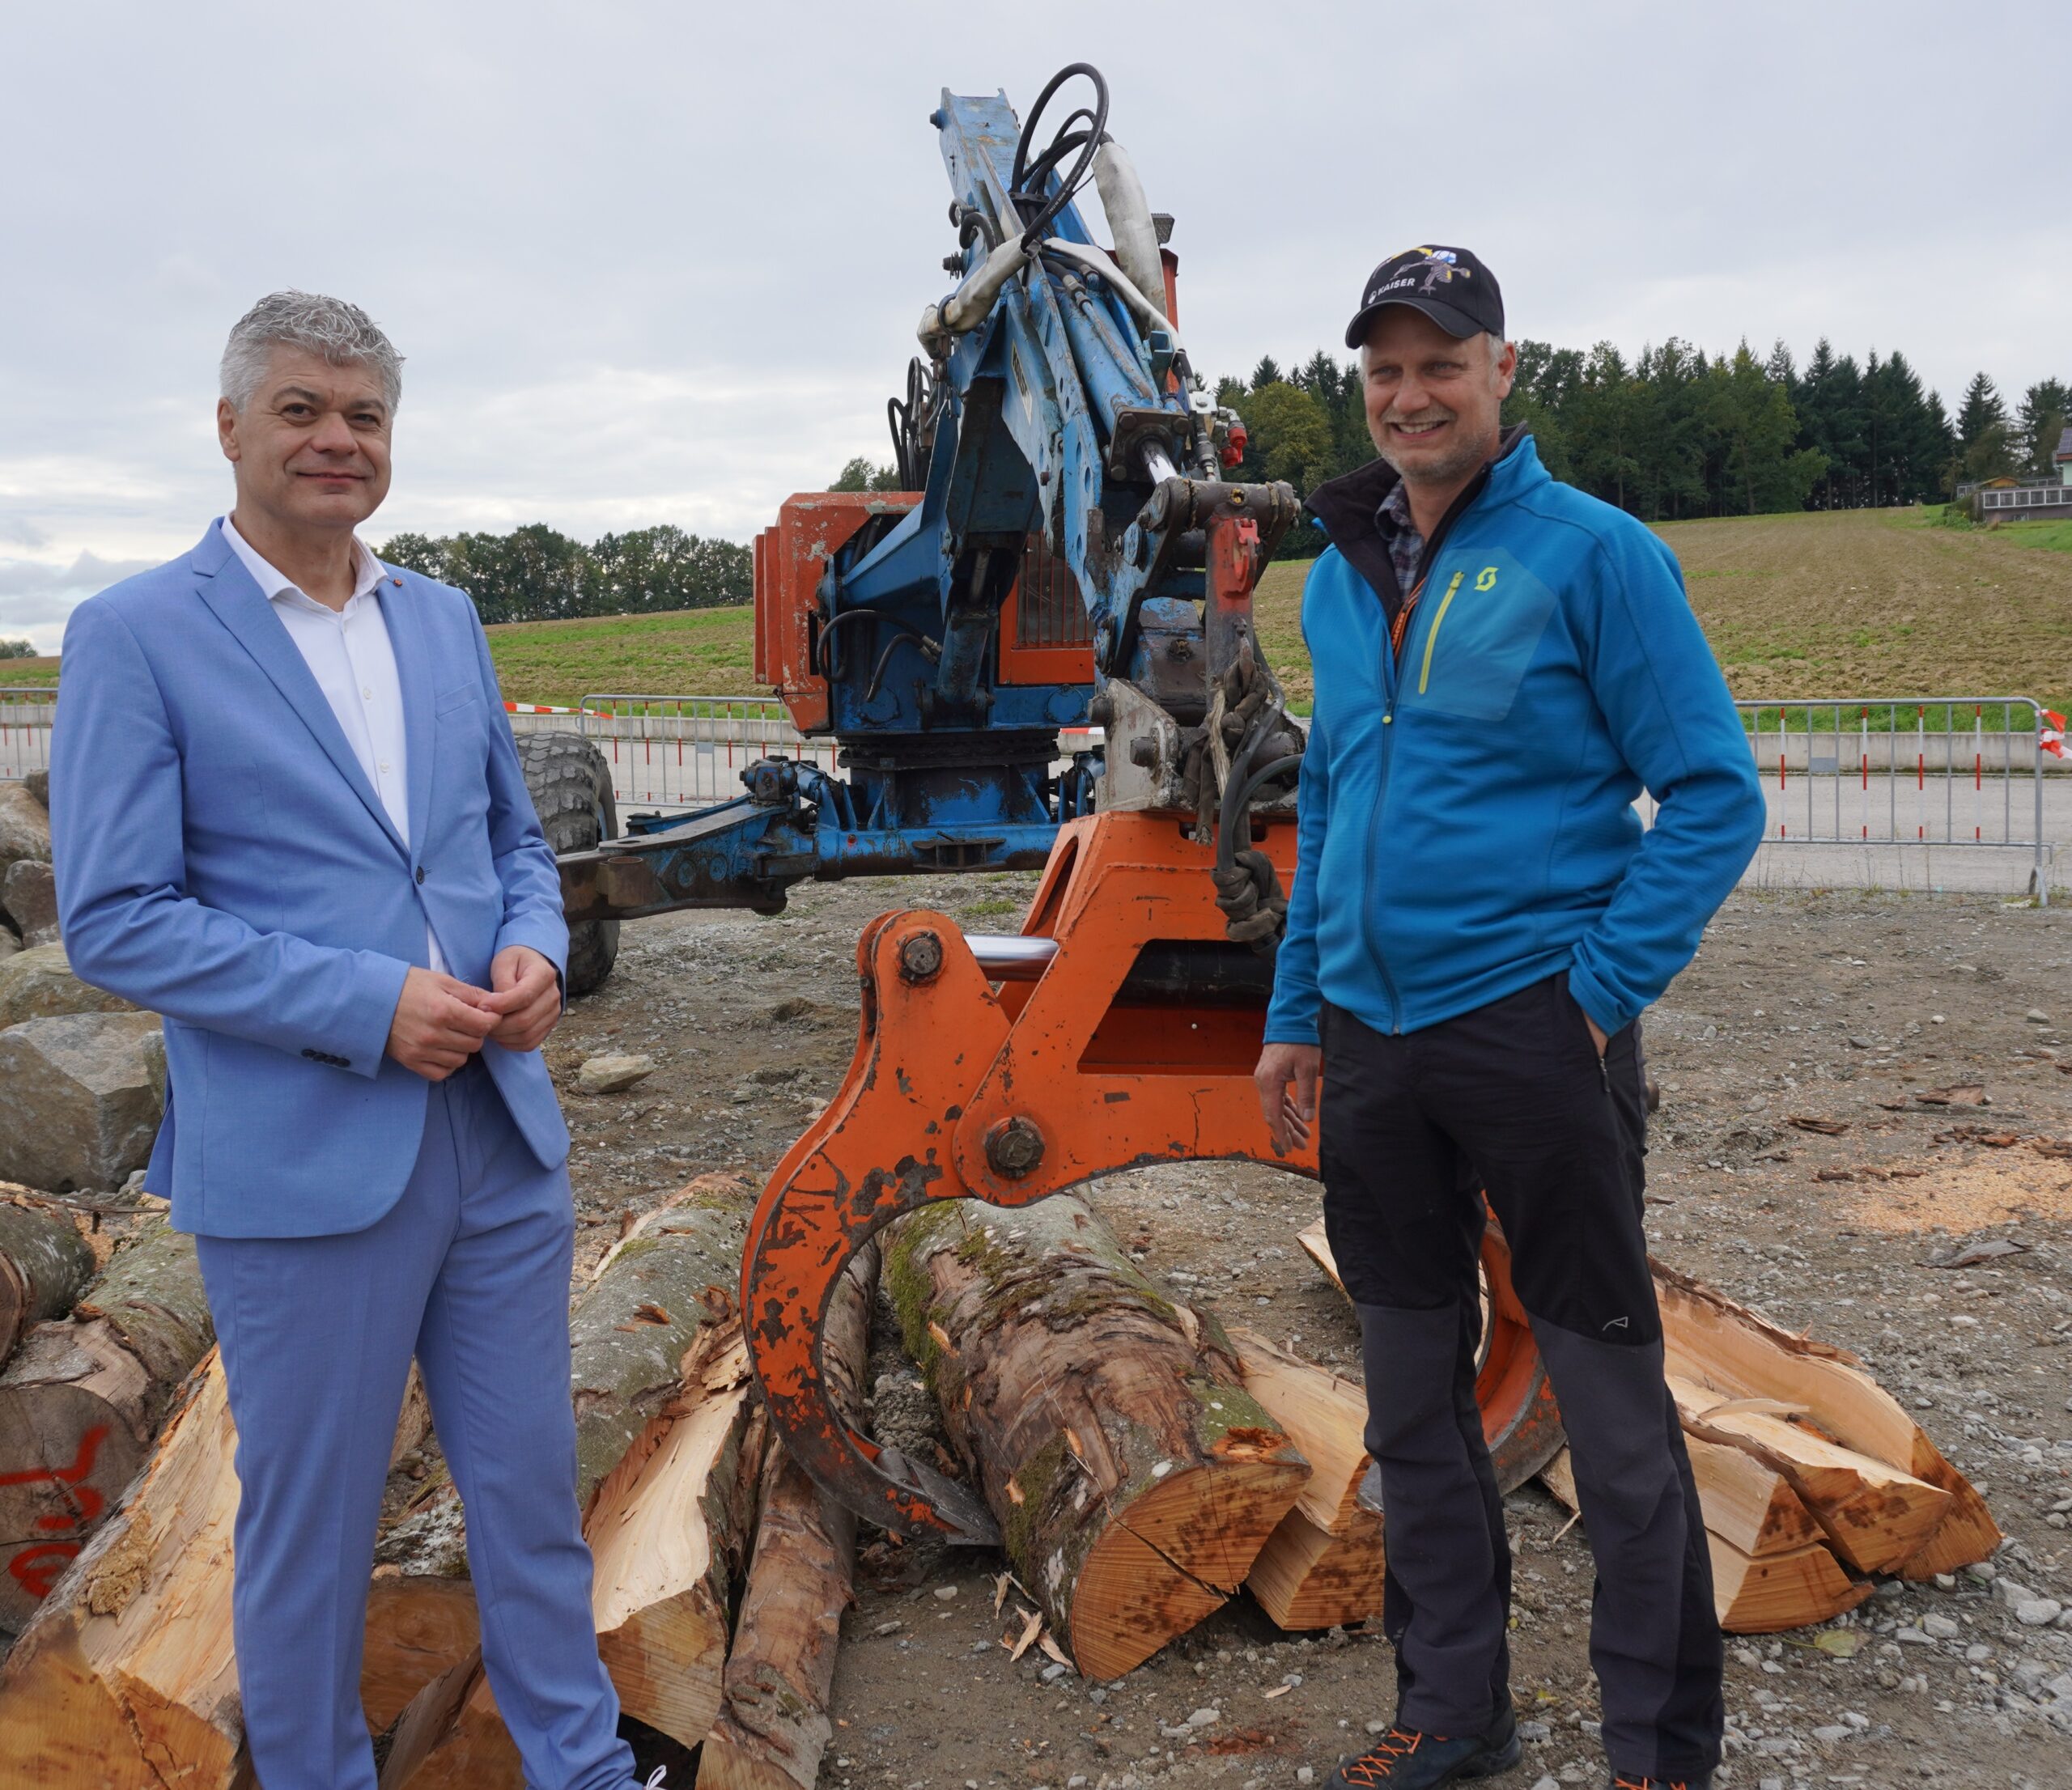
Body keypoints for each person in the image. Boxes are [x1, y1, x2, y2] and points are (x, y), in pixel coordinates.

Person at [49, 292, 660, 1790]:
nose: (338, 440)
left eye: (365, 416)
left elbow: (511, 841)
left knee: (525, 1494)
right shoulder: (135, 635)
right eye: (303, 410)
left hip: (499, 1141)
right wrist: (363, 1005)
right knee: (311, 1529)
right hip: (304, 1157)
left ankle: (578, 1769)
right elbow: (117, 916)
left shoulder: (440, 617)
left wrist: (532, 952)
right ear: (231, 428)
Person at [1253, 247, 1765, 1790]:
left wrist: (1593, 996)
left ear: (1502, 370)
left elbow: (1714, 798)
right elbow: (1333, 792)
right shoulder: (1345, 573)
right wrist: (1298, 1007)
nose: (1411, 395)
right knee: (1415, 1400)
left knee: (1610, 1416)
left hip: (1536, 1037)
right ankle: (1455, 1710)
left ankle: (1658, 1753)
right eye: (1385, 370)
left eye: (1441, 363)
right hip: (1375, 1046)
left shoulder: (1594, 557)